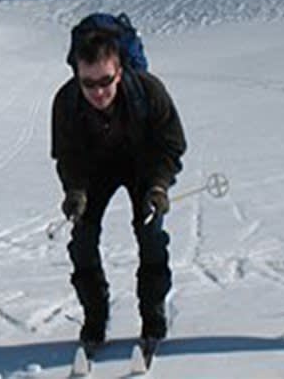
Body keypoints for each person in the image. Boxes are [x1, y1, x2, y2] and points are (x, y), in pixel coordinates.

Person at [51, 24, 186, 347]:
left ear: (120, 71)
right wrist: (76, 192)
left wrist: (159, 185)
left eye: (105, 81)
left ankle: (153, 316)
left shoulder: (149, 92)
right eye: (88, 83)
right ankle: (95, 318)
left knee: (150, 232)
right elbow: (67, 156)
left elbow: (171, 143)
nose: (98, 92)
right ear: (77, 75)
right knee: (82, 237)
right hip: (94, 170)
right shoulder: (66, 102)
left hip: (142, 167)